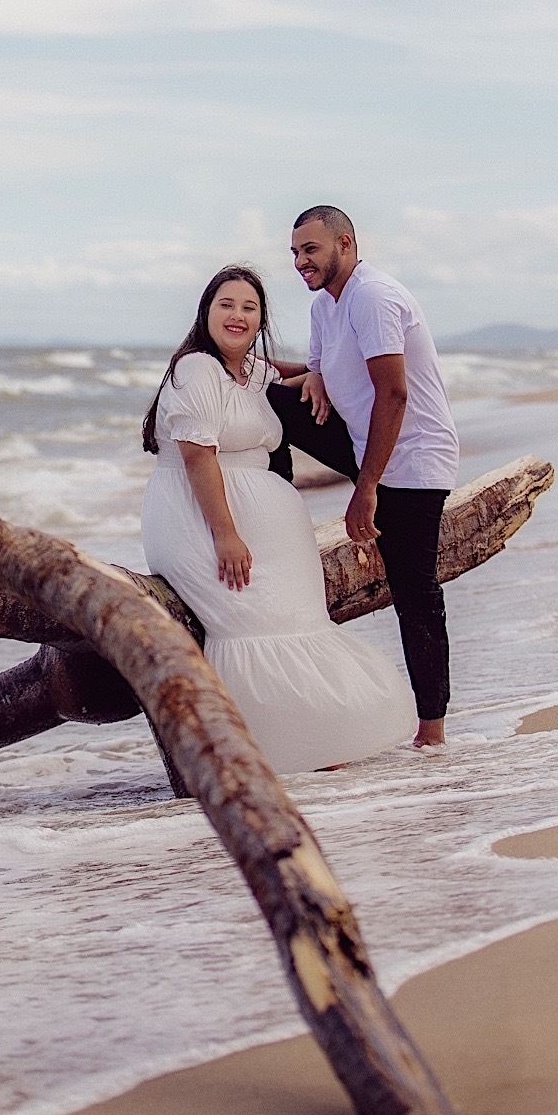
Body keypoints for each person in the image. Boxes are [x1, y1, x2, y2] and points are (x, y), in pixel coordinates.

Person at [140, 265, 417, 774]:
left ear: (260, 319)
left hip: (267, 525)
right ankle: (254, 754)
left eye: (250, 308)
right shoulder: (197, 370)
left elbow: (289, 373)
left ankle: (316, 744)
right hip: (200, 520)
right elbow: (200, 459)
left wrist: (314, 373)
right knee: (252, 623)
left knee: (298, 621)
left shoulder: (247, 370)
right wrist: (226, 535)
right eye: (227, 304)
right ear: (206, 312)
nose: (238, 315)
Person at [266, 206, 459, 748]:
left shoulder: (373, 298)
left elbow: (393, 394)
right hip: (364, 441)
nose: (301, 261)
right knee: (269, 399)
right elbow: (312, 374)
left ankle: (432, 732)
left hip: (414, 459)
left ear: (345, 245)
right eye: (296, 252)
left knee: (414, 591)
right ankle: (277, 514)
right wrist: (236, 359)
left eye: (312, 250)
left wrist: (365, 489)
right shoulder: (326, 305)